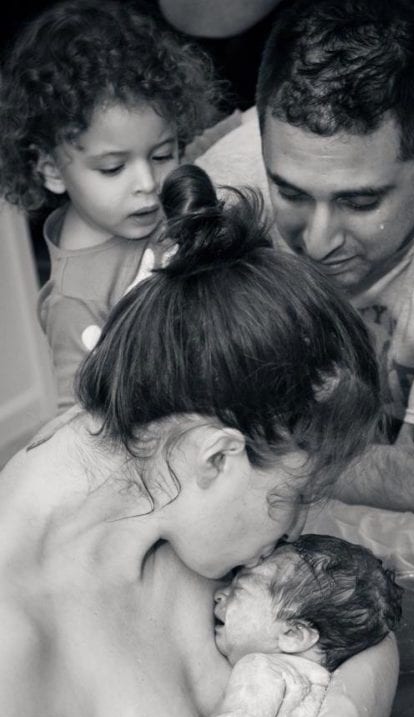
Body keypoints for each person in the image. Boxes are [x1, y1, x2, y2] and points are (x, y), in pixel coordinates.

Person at [0, 163, 399, 717]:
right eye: (296, 497)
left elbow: (359, 623)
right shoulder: (13, 642)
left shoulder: (176, 481)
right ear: (217, 458)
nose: (297, 527)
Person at [196, 0, 414, 516]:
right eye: (291, 193)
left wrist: (238, 450)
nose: (317, 242)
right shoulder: (224, 182)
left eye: (359, 202)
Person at [0, 0, 218, 412]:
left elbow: (211, 144)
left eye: (162, 154)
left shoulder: (152, 191)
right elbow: (77, 418)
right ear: (52, 171)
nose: (148, 184)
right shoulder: (74, 301)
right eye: (113, 168)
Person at [83, 534, 403, 717]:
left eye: (240, 589)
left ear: (293, 635)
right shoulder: (323, 689)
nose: (220, 595)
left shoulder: (263, 669)